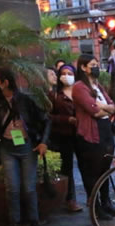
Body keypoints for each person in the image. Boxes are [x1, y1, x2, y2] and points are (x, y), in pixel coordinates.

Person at [0, 67, 50, 226]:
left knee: (29, 188)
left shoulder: (25, 100)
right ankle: (15, 225)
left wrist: (43, 142)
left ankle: (34, 223)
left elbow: (45, 120)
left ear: (5, 83)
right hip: (7, 148)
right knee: (12, 188)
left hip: (27, 147)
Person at [72, 54, 115, 218]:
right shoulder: (79, 87)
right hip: (91, 134)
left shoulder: (98, 86)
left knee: (105, 169)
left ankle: (107, 202)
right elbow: (94, 111)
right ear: (83, 67)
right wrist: (105, 108)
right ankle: (96, 207)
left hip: (106, 130)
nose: (96, 67)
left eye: (97, 64)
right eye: (92, 64)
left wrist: (104, 107)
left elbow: (114, 107)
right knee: (92, 172)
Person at [49, 64, 81, 212]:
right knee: (67, 168)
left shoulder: (80, 92)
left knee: (87, 167)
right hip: (64, 136)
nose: (66, 76)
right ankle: (70, 199)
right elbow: (49, 117)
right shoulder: (55, 95)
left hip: (82, 134)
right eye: (63, 73)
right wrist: (66, 119)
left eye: (70, 73)